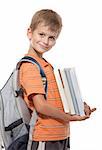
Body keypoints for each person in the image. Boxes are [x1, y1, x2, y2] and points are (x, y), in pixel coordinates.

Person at [19, 9, 96, 150]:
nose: (45, 41)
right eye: (41, 34)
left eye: (51, 37)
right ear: (30, 32)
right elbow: (41, 105)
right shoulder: (30, 66)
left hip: (59, 134)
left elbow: (55, 100)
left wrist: (79, 107)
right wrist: (68, 117)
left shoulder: (46, 66)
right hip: (44, 137)